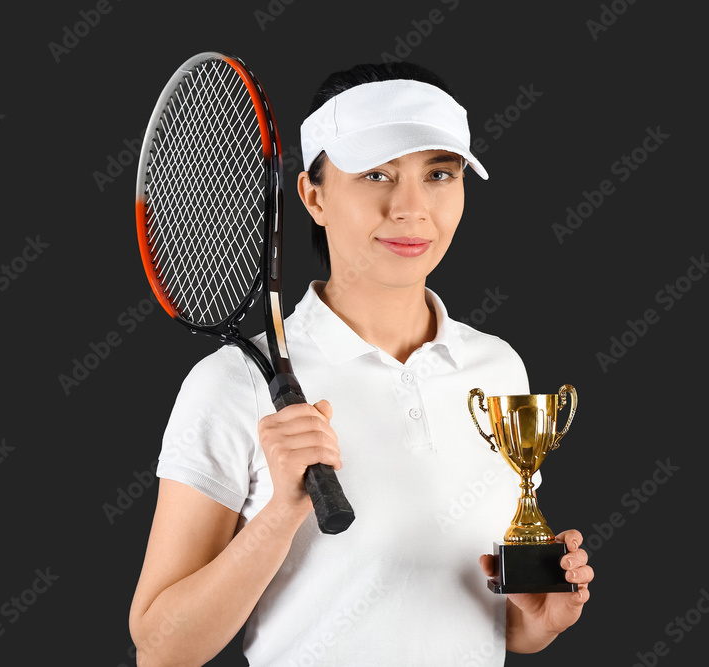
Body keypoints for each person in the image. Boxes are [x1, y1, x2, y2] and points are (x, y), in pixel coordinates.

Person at [129, 60, 593, 666]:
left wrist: (537, 622)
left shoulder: (497, 369)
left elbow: (486, 624)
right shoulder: (234, 382)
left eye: (439, 174)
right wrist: (281, 515)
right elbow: (162, 651)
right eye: (376, 173)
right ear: (313, 195)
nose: (410, 208)